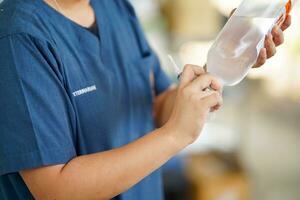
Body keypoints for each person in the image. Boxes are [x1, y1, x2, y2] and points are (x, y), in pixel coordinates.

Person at [0, 0, 291, 199]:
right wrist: (175, 135)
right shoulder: (20, 39)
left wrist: (226, 61)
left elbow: (157, 105)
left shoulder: (114, 7)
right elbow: (55, 190)